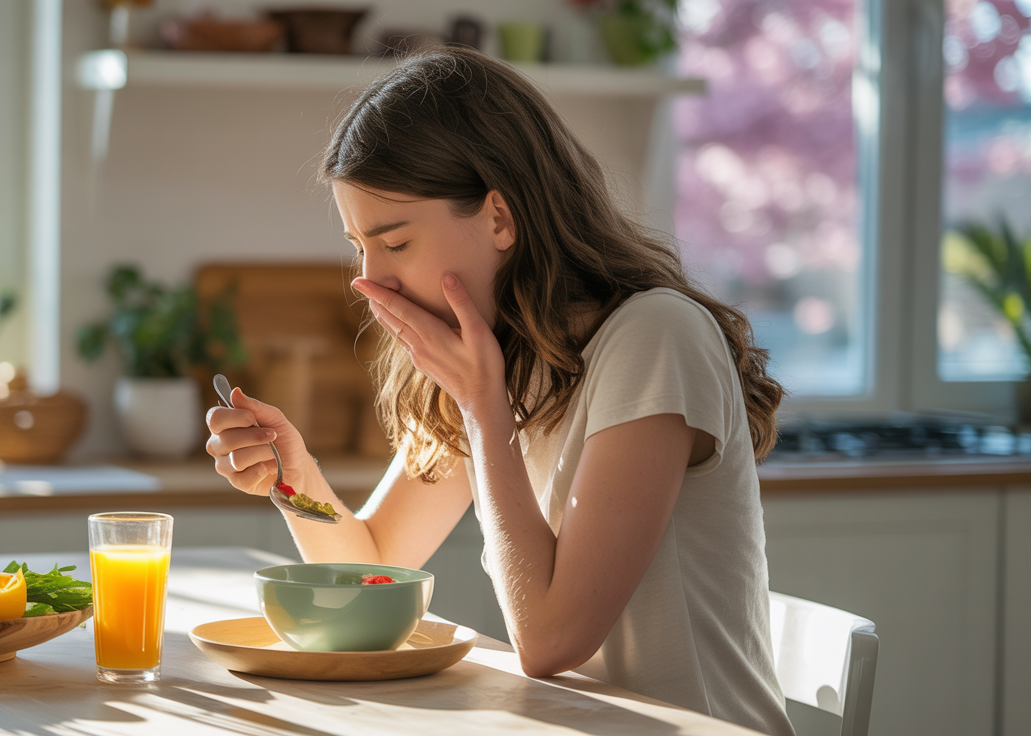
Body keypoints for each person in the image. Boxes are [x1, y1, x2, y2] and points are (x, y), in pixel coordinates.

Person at [205, 46, 795, 736]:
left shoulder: (653, 338)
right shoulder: (502, 351)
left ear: (500, 219)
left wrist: (487, 413)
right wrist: (295, 478)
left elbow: (550, 643)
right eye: (358, 245)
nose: (370, 281)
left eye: (394, 243)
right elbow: (372, 569)